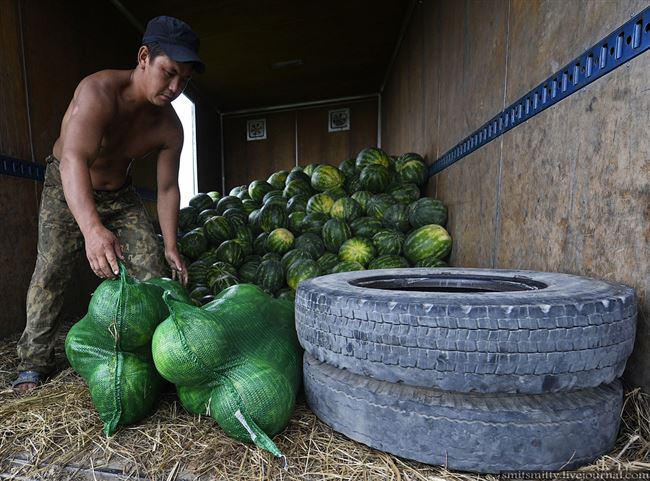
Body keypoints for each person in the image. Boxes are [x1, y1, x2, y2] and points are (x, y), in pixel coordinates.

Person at [12, 16, 205, 393]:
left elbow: (167, 189)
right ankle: (33, 362)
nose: (175, 87)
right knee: (52, 268)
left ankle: (157, 358)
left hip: (120, 193)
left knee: (152, 270)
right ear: (144, 56)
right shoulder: (97, 92)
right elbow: (73, 161)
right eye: (168, 73)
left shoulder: (169, 126)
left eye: (184, 80)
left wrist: (169, 245)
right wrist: (91, 229)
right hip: (66, 185)